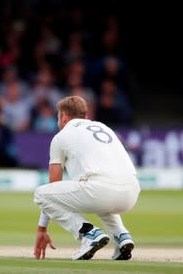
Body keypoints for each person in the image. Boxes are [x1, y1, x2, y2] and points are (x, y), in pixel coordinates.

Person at [33, 95, 140, 260]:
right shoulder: (103, 127)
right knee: (99, 192)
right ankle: (121, 236)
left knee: (40, 193)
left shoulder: (61, 137)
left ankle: (88, 234)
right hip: (132, 192)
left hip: (100, 191)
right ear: (85, 115)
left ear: (63, 117)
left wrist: (42, 228)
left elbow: (53, 186)